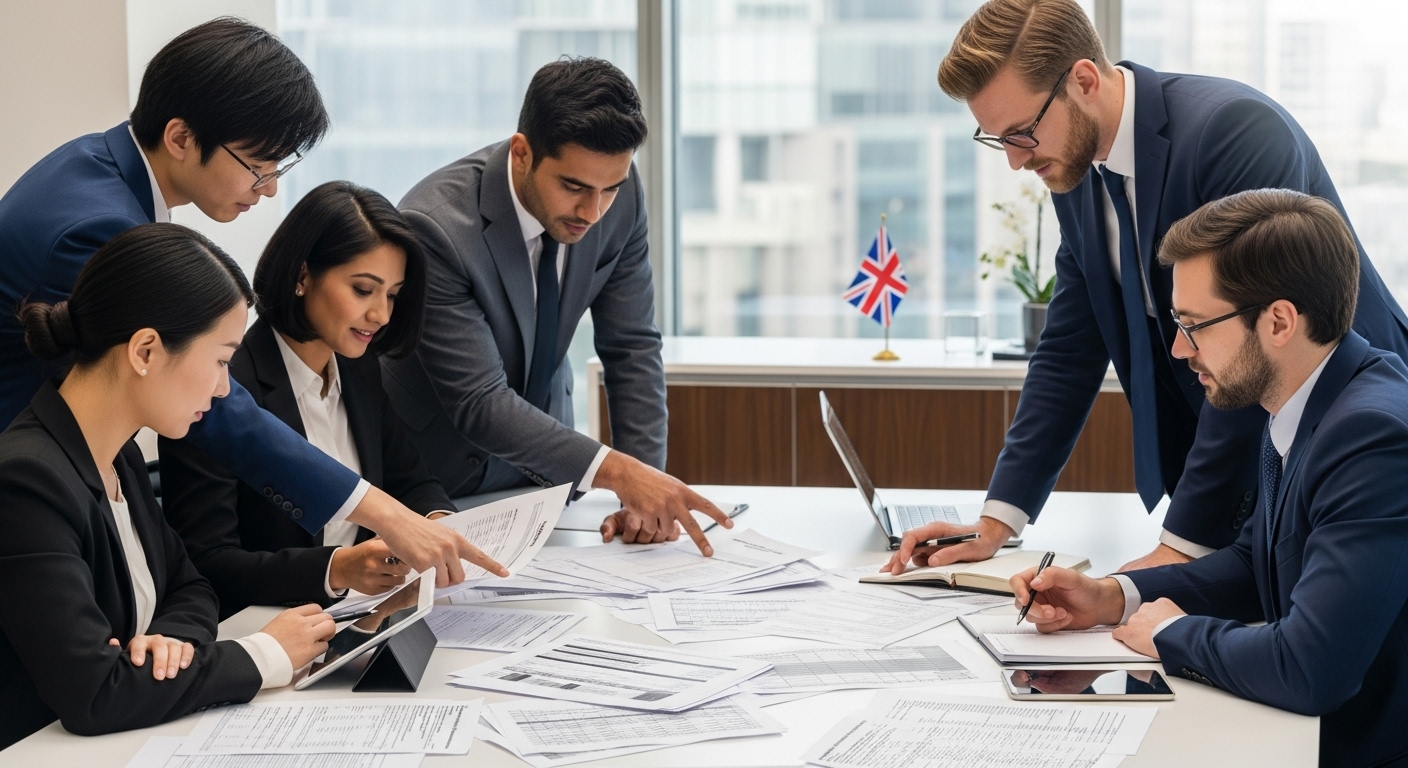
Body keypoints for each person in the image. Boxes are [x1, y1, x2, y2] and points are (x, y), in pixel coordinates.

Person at [887, 0, 1408, 575]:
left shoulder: (1232, 131)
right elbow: (1068, 347)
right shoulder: (1074, 166)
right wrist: (997, 522)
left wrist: (1181, 546)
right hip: (1249, 477)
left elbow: (1251, 346)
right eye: (997, 140)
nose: (1014, 162)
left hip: (1349, 450)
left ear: (1083, 80)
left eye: (1021, 134)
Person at [0, 17, 498, 585]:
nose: (268, 188)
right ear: (182, 138)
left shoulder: (100, 174)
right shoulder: (96, 227)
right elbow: (213, 407)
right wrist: (382, 512)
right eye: (257, 167)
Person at [1010, 189, 1408, 767]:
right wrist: (1111, 599)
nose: (1178, 348)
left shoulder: (1372, 435)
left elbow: (1311, 667)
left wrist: (1172, 634)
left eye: (1193, 324)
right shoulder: (1309, 401)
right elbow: (1258, 563)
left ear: (1278, 322)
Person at [0, 224, 341, 748]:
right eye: (222, 359)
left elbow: (191, 586)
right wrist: (264, 654)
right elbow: (95, 693)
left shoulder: (121, 453)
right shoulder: (26, 480)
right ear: (145, 351)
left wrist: (170, 644)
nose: (226, 387)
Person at [384, 56, 731, 555]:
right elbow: (479, 401)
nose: (593, 212)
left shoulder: (622, 195)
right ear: (522, 153)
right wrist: (620, 473)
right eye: (574, 187)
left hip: (550, 482)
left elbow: (631, 345)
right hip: (438, 484)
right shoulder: (435, 226)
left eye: (608, 188)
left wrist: (643, 489)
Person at [160, 182, 458, 618]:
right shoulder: (221, 385)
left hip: (361, 618)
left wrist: (437, 523)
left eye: (392, 294)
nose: (381, 315)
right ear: (302, 276)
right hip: (261, 630)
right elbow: (207, 564)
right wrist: (335, 569)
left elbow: (410, 479)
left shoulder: (358, 368)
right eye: (363, 289)